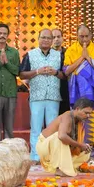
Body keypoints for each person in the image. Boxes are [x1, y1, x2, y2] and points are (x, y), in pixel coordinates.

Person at [20, 29, 64, 162]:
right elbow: (22, 74)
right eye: (43, 37)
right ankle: (35, 156)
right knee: (36, 128)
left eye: (48, 38)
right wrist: (37, 71)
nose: (45, 40)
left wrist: (55, 72)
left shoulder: (59, 55)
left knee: (52, 129)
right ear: (38, 39)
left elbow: (64, 75)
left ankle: (50, 157)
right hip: (37, 96)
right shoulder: (30, 55)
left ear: (52, 40)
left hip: (53, 96)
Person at [64, 25, 94, 155]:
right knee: (77, 119)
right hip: (76, 93)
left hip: (93, 94)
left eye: (86, 36)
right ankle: (77, 151)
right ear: (77, 36)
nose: (84, 39)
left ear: (91, 36)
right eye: (81, 36)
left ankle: (91, 152)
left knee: (92, 120)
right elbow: (66, 71)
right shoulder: (71, 50)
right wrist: (82, 59)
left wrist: (88, 58)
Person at [36, 98, 94, 176]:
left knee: (86, 151)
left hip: (57, 150)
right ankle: (60, 168)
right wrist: (79, 145)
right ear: (77, 109)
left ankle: (70, 166)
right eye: (86, 113)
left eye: (90, 113)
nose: (88, 116)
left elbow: (74, 144)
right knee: (59, 137)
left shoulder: (79, 122)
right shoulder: (67, 116)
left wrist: (83, 147)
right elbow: (61, 136)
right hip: (45, 148)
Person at [52, 27, 70, 112]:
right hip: (52, 91)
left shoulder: (68, 53)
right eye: (54, 37)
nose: (56, 39)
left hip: (66, 89)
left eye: (58, 37)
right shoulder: (47, 54)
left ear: (62, 38)